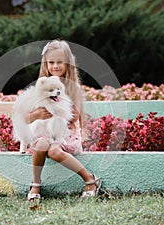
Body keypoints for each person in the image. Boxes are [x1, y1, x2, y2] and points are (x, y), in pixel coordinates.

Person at [27, 40, 101, 202]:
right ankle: (36, 184)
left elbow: (75, 117)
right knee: (41, 145)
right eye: (51, 62)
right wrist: (38, 114)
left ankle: (89, 179)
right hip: (44, 132)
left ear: (68, 63)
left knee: (53, 151)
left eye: (60, 62)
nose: (55, 66)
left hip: (66, 133)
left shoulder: (73, 88)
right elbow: (28, 116)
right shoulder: (42, 86)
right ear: (45, 64)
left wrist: (62, 112)